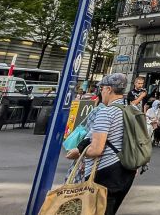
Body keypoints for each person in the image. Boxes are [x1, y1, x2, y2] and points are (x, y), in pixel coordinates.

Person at [65, 73, 136, 215]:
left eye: (102, 88)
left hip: (105, 171)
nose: (101, 91)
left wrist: (81, 153)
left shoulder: (106, 112)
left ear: (109, 89)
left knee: (97, 210)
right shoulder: (134, 111)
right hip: (128, 170)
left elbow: (97, 149)